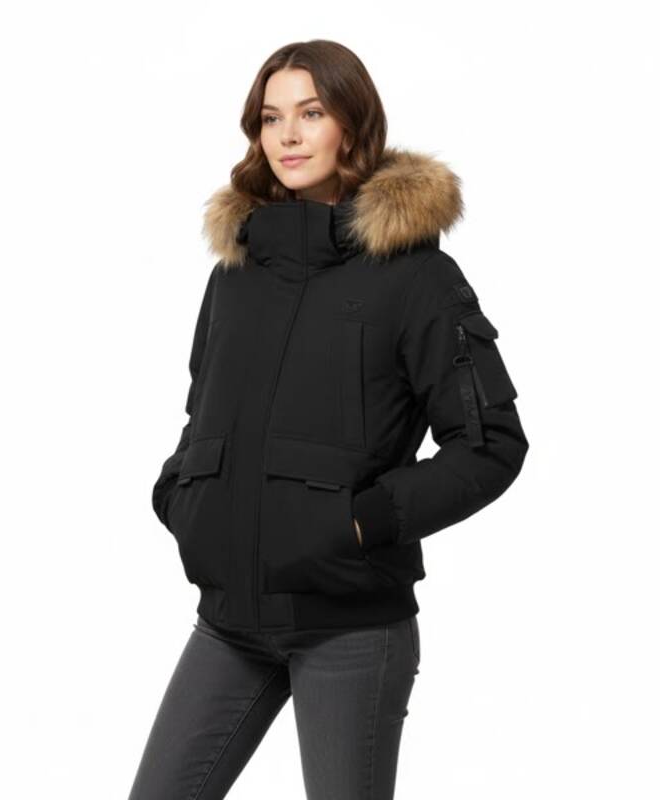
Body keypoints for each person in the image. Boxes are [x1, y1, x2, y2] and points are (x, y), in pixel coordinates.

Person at [129, 39, 529, 800]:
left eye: (310, 113)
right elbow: (201, 416)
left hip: (351, 628)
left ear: (352, 124)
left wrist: (360, 523)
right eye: (270, 118)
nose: (287, 135)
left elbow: (490, 446)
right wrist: (183, 500)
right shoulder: (235, 275)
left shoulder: (418, 278)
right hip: (229, 620)